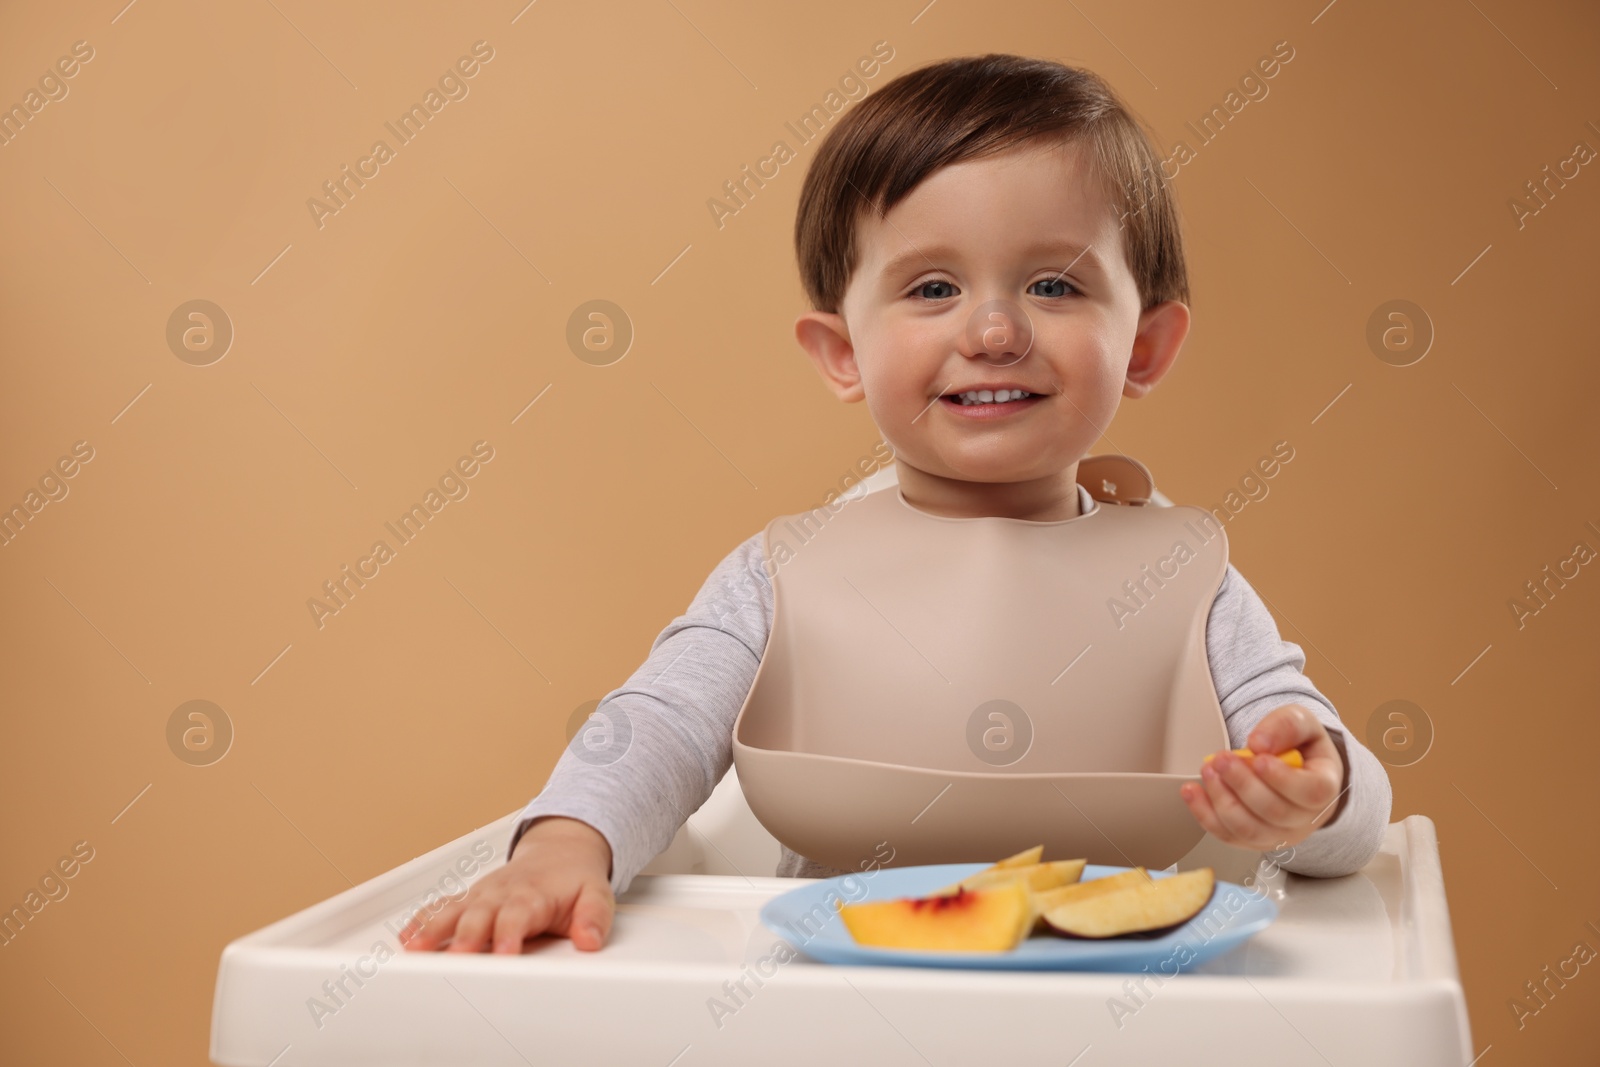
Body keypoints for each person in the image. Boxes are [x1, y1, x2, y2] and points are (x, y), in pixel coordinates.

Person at [400, 53, 1392, 956]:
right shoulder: (783, 577)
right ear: (843, 353)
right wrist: (563, 845)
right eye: (930, 288)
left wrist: (1311, 794)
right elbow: (655, 725)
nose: (994, 329)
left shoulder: (1187, 585)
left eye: (1052, 282)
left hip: (1122, 1010)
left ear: (1145, 347)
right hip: (841, 1011)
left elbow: (1335, 789)